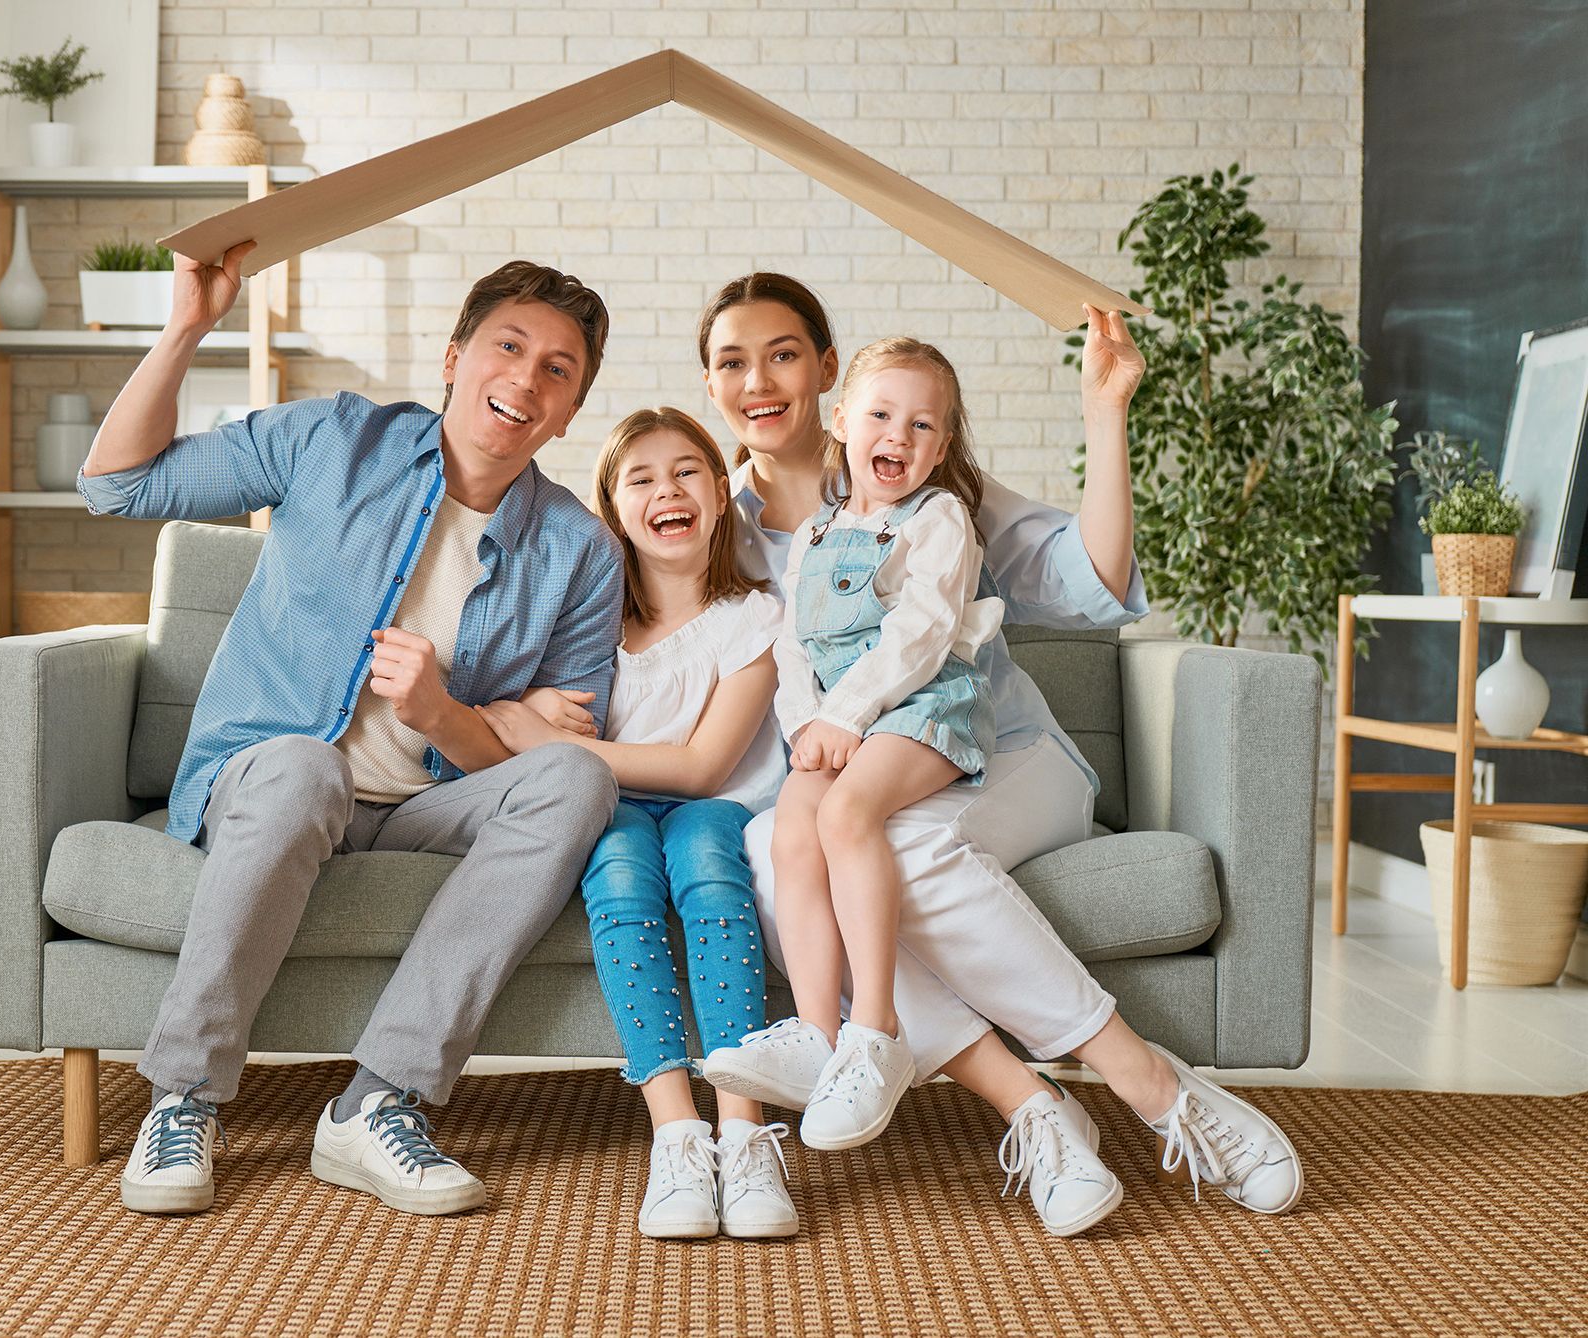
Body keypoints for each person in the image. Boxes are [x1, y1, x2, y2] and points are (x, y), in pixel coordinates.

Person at [696, 273, 1302, 1237]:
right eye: (733, 361)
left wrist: (1107, 412)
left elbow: (1092, 580)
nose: (759, 381)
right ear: (711, 382)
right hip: (851, 775)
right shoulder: (713, 522)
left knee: (894, 849)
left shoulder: (937, 498)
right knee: (777, 847)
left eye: (783, 355)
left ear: (825, 372)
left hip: (997, 756)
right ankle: (1035, 1109)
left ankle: (1151, 1084)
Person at [79, 248, 625, 1219]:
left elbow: (553, 752)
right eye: (508, 347)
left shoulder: (579, 550)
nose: (526, 379)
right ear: (454, 358)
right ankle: (184, 1097)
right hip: (275, 782)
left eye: (558, 369)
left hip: (427, 809)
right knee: (305, 768)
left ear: (570, 410)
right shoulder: (334, 439)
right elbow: (116, 486)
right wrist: (187, 327)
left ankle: (377, 1105)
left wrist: (445, 715)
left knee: (581, 781)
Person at [478, 407, 795, 1240]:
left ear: (721, 494)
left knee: (710, 870)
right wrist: (537, 711)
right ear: (614, 509)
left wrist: (555, 744)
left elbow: (703, 768)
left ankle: (743, 1132)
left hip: (715, 806)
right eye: (642, 479)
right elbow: (505, 697)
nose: (667, 491)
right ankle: (676, 1134)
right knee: (619, 878)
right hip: (613, 807)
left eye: (687, 472)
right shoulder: (589, 625)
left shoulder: (755, 618)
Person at [746, 337, 1006, 1154]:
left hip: (925, 707)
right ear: (841, 422)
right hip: (836, 720)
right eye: (882, 415)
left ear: (943, 444)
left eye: (923, 425)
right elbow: (792, 647)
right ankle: (815, 1035)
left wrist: (847, 718)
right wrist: (805, 727)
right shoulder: (815, 535)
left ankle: (874, 1029)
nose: (900, 435)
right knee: (793, 827)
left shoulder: (938, 519)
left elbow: (920, 635)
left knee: (846, 814)